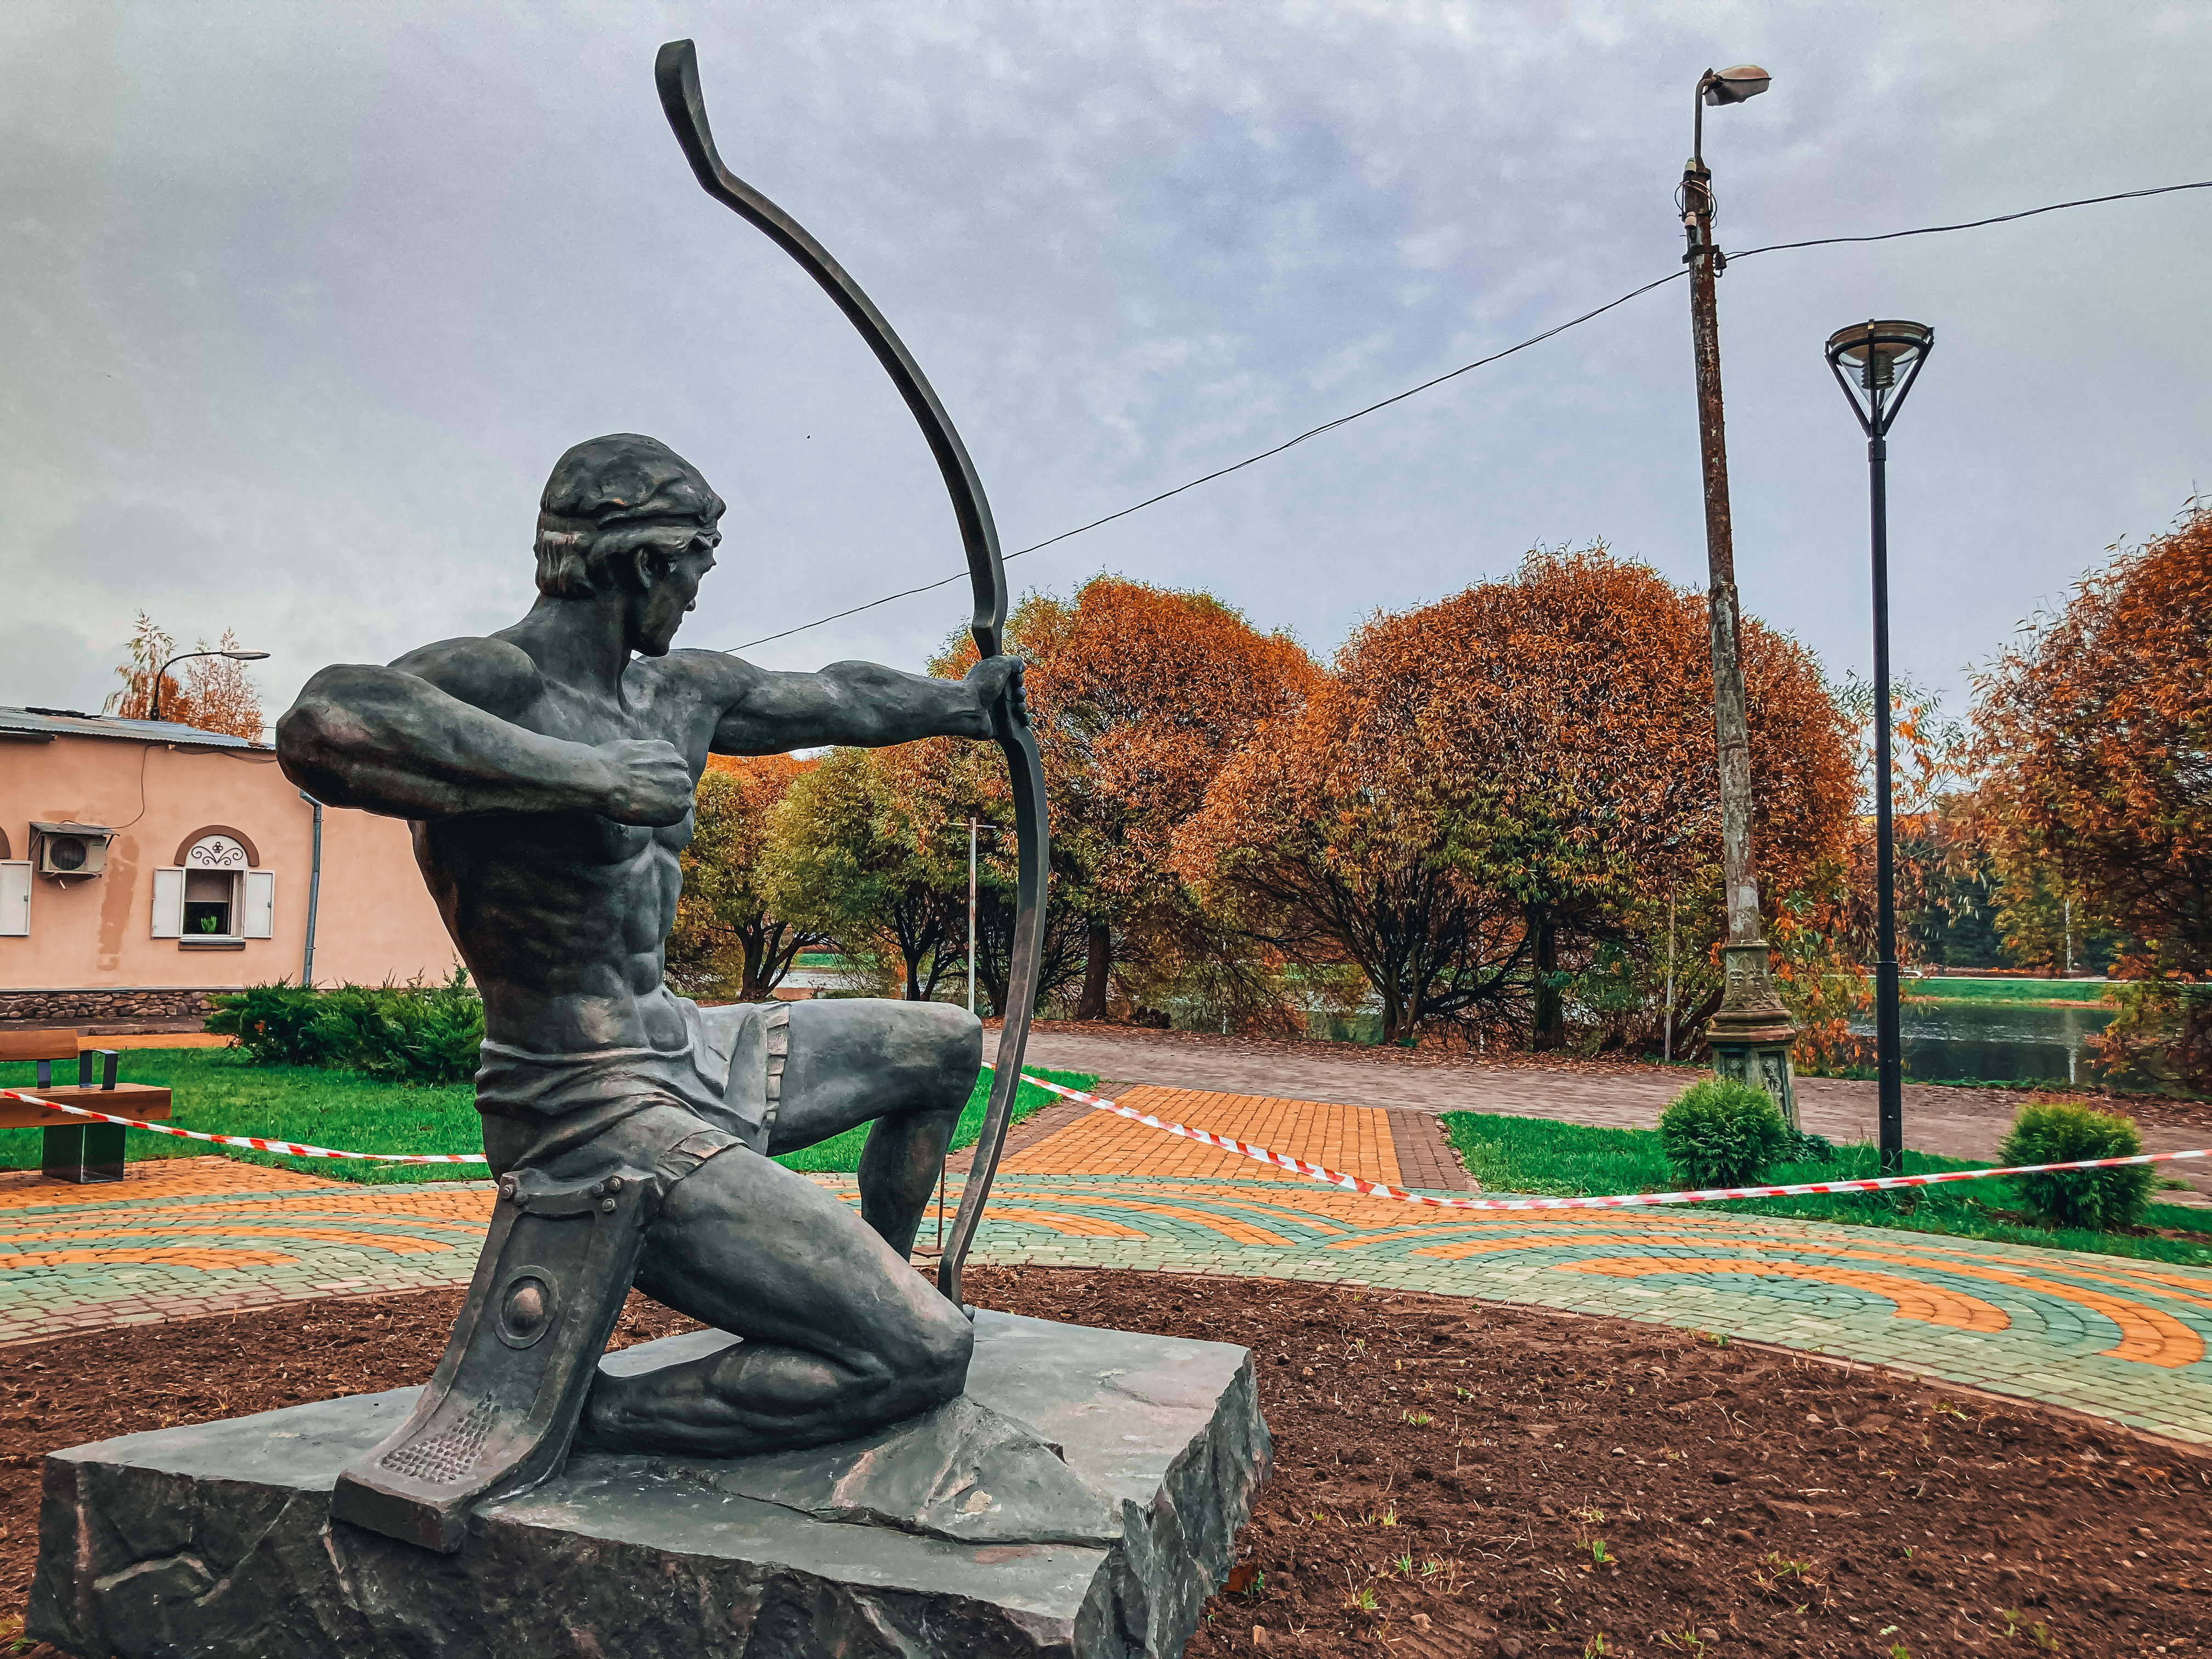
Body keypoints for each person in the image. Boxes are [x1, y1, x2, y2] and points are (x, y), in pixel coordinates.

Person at [278, 432, 1025, 1458]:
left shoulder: (675, 694)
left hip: (685, 1046)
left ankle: (864, 1289)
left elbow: (840, 695)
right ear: (644, 561)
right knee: (924, 1356)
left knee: (942, 1043)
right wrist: (587, 779)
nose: (698, 592)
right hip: (580, 1106)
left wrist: (959, 706)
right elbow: (325, 724)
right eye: (696, 567)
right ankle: (588, 1414)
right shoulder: (500, 680)